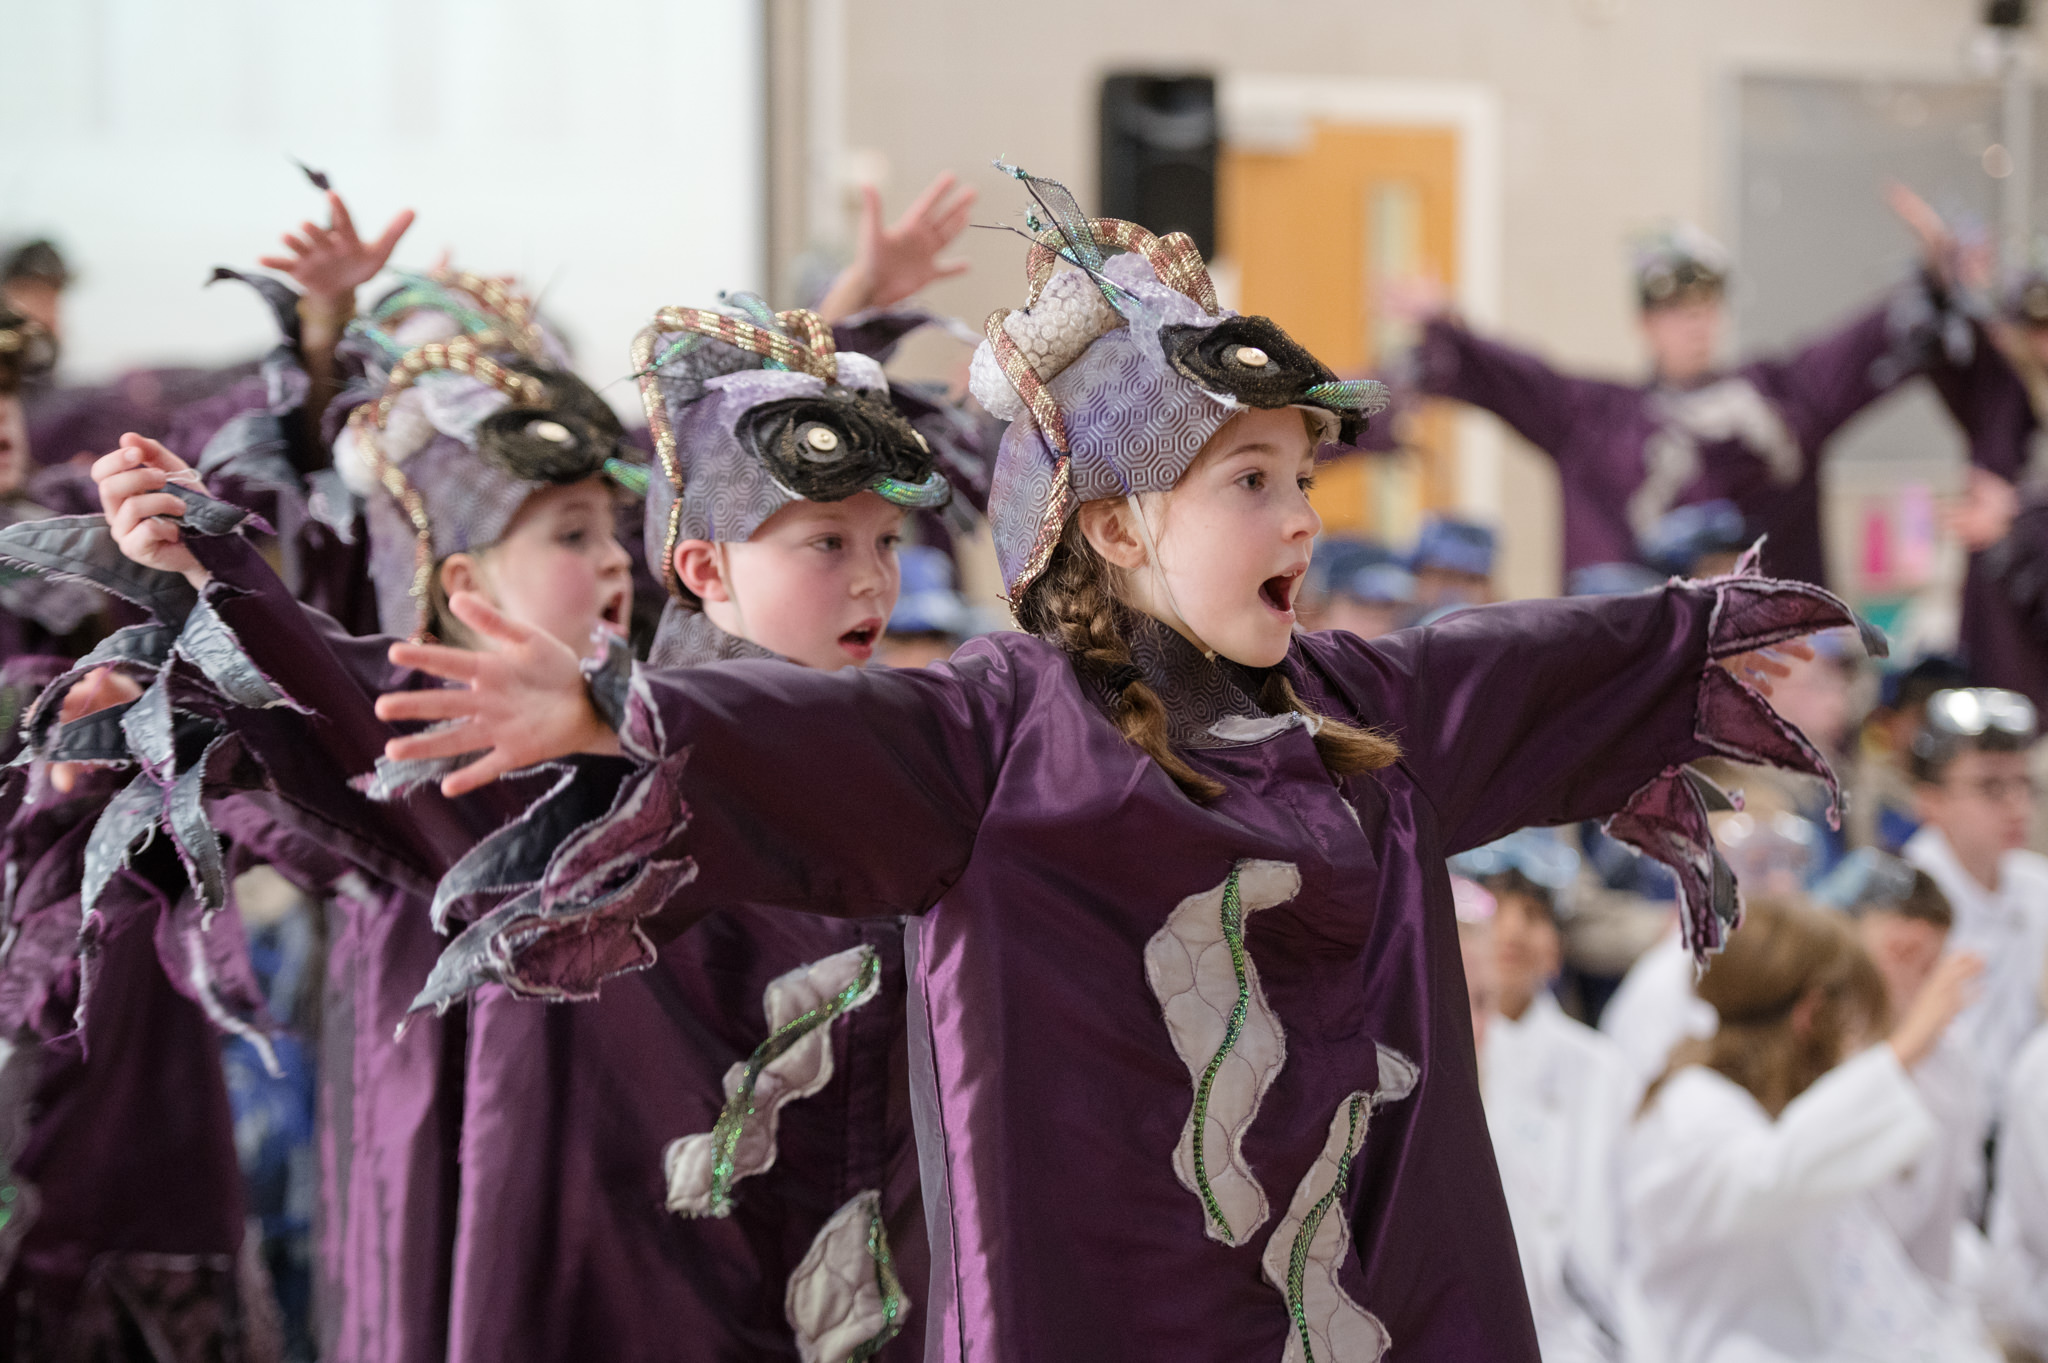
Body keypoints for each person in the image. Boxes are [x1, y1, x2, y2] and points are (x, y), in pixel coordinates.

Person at [317, 169, 1868, 1361]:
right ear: (1118, 527)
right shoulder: (1003, 730)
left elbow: (1535, 656)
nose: (1302, 518)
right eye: (1247, 479)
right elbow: (799, 726)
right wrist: (610, 709)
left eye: (1303, 476)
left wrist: (1694, 640)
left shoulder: (1362, 716)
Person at [1386, 221, 1939, 588]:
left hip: (1766, 652)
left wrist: (1932, 282)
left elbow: (1859, 347)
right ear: (1645, 323)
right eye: (1676, 310)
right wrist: (1451, 328)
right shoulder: (1598, 420)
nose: (1694, 323)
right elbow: (1520, 378)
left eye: (1705, 306)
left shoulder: (1778, 399)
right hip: (1636, 661)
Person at [1627, 897, 1996, 1363]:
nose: (1851, 1045)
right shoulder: (1691, 1112)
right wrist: (1906, 1047)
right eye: (1849, 1023)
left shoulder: (1782, 1110)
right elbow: (1772, 1179)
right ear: (1811, 1014)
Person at [1457, 833, 1638, 1363]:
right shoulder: (1423, 1057)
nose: (1510, 932)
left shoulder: (1601, 1069)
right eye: (1493, 912)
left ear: (1556, 951)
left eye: (1533, 915)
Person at [1813, 849, 1987, 1282]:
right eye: (1901, 953)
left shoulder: (1953, 1059)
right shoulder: (1807, 1051)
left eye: (1931, 964)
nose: (1916, 981)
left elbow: (1948, 1216)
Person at [1901, 687, 2048, 1109]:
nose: (2017, 805)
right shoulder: (1906, 901)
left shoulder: (2034, 883)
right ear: (1929, 800)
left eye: (2024, 784)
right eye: (1991, 787)